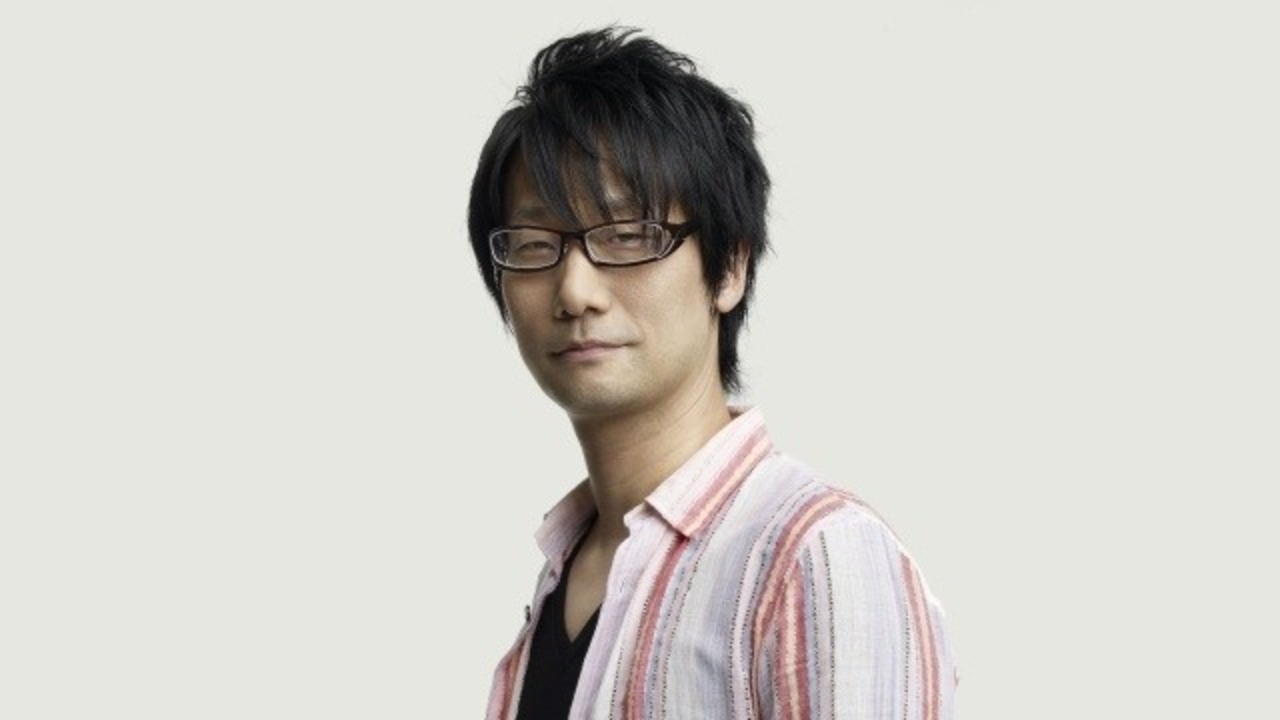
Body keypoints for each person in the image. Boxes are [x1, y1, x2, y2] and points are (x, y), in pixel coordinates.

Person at [467, 27, 957, 720]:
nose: (575, 291)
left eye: (627, 235)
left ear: (729, 268)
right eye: (535, 243)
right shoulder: (564, 569)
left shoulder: (814, 556)